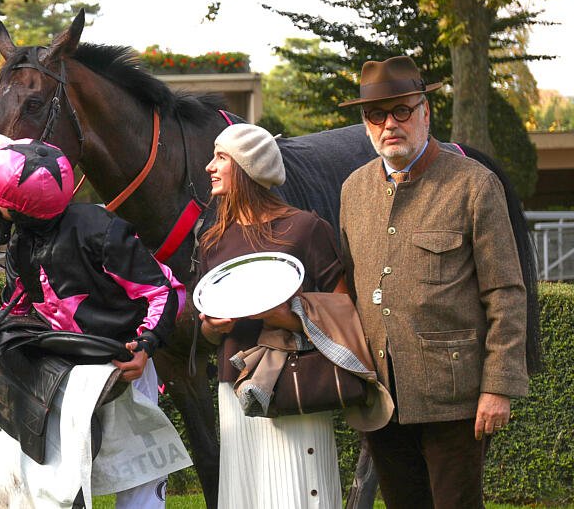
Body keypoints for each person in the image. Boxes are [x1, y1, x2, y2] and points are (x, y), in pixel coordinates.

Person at [337, 56, 529, 508]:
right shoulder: (352, 190)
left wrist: (498, 386)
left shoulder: (474, 185)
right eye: (376, 115)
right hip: (382, 398)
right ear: (366, 125)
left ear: (425, 112)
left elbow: (505, 292)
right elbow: (351, 288)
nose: (390, 124)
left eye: (402, 111)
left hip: (455, 399)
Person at [0, 133, 186, 508]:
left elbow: (162, 292)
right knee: (63, 469)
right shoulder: (20, 243)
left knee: (140, 467)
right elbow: (20, 308)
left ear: (16, 208)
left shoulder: (102, 229)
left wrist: (145, 347)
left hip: (125, 363)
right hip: (66, 371)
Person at [198, 123, 347, 509]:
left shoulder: (306, 229)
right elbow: (205, 332)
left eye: (221, 157)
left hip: (295, 382)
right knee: (246, 497)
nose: (209, 167)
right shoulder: (213, 241)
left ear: (247, 167)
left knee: (297, 494)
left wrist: (288, 317)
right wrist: (212, 327)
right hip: (235, 389)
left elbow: (345, 311)